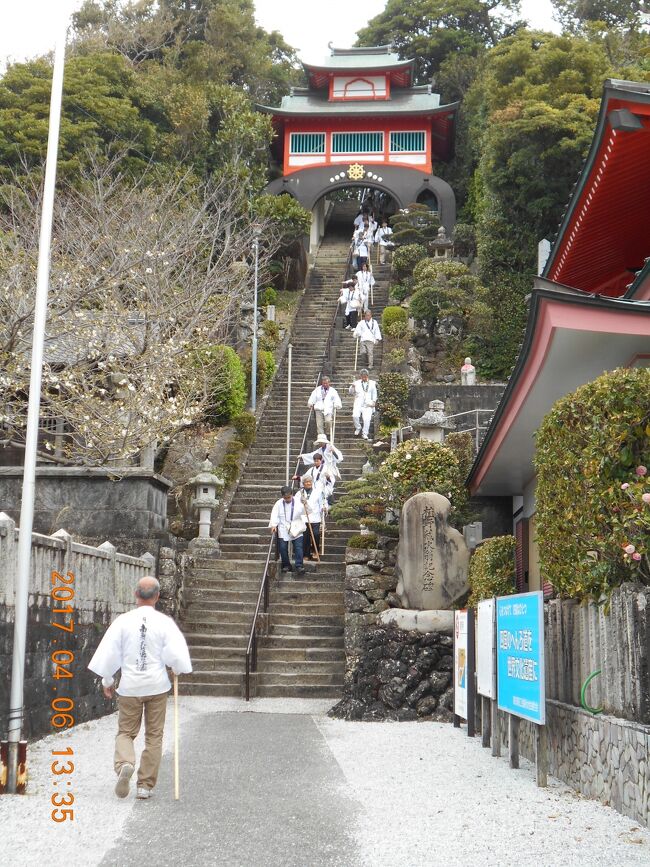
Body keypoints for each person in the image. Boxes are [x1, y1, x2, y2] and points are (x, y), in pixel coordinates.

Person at [87, 576, 192, 801]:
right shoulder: (164, 623)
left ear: (136, 595)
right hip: (157, 685)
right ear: (157, 597)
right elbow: (175, 656)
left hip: (130, 687)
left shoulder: (123, 622)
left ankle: (125, 762)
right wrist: (177, 669)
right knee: (154, 735)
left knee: (126, 732)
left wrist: (108, 682)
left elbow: (109, 654)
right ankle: (145, 785)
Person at [269, 485, 307, 574]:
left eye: (289, 497)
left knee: (298, 547)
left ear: (292, 495)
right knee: (282, 548)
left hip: (296, 526)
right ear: (282, 496)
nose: (287, 499)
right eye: (285, 498)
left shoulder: (298, 501)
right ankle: (286, 565)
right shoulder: (278, 503)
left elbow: (308, 512)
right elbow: (274, 514)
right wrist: (273, 525)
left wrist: (306, 504)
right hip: (283, 527)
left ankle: (299, 566)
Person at [300, 477, 327, 561]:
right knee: (305, 537)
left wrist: (324, 508)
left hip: (315, 517)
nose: (308, 483)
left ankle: (316, 550)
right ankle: (306, 554)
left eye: (310, 482)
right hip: (304, 518)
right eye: (306, 482)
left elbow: (322, 502)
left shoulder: (318, 492)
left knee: (316, 534)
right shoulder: (299, 493)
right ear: (303, 483)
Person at [307, 375, 342, 440]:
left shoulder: (333, 391)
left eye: (326, 383)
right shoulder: (317, 390)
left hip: (328, 409)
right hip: (319, 408)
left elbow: (336, 399)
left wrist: (337, 404)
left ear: (329, 383)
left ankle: (328, 433)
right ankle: (321, 436)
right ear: (322, 383)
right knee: (319, 423)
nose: (325, 384)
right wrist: (310, 403)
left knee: (328, 421)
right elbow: (313, 396)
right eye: (324, 383)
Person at [349, 368, 378, 440]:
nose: (364, 378)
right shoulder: (356, 383)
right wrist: (352, 387)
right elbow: (351, 392)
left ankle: (365, 433)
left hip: (368, 404)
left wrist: (374, 402)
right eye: (362, 376)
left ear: (367, 376)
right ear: (360, 376)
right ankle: (358, 427)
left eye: (365, 376)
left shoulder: (372, 383)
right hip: (358, 402)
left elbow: (374, 393)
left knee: (367, 419)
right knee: (355, 416)